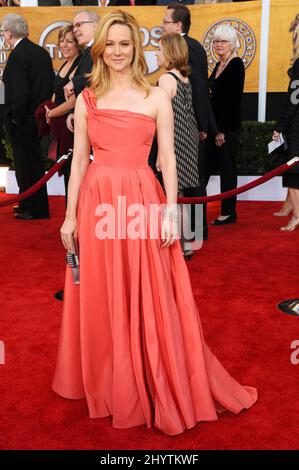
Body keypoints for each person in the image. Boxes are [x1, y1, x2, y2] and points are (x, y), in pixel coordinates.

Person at [52, 10, 257, 436]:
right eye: (110, 44)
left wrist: (170, 211)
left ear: (137, 48)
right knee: (103, 287)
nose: (118, 51)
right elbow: (77, 166)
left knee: (148, 287)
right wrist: (69, 217)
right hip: (97, 199)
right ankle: (109, 378)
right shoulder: (89, 97)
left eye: (125, 44)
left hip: (143, 200)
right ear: (100, 49)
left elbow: (167, 160)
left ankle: (146, 373)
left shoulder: (156, 95)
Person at [160, 3, 217, 240]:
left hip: (184, 127)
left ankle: (192, 233)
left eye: (165, 21)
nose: (161, 25)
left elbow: (199, 88)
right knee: (191, 180)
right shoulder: (192, 46)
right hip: (190, 125)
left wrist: (202, 125)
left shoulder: (186, 46)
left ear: (178, 24)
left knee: (188, 182)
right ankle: (193, 233)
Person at [2, 13, 54, 219]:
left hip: (23, 121)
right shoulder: (40, 53)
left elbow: (20, 93)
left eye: (4, 31)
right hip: (37, 118)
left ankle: (32, 208)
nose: (3, 35)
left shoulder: (18, 55)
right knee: (32, 164)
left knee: (26, 165)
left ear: (9, 33)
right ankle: (29, 205)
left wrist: (15, 118)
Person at [156, 32, 199, 259]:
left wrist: (161, 154)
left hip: (175, 139)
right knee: (180, 194)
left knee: (174, 193)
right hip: (188, 137)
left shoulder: (165, 79)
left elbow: (163, 117)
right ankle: (187, 243)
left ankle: (181, 244)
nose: (156, 54)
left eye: (160, 50)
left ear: (170, 53)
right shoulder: (184, 77)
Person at [205, 23, 245, 225]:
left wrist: (222, 131)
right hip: (214, 129)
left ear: (233, 44)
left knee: (227, 171)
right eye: (216, 41)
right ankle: (195, 208)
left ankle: (229, 212)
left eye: (223, 41)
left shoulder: (236, 64)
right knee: (206, 168)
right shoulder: (218, 66)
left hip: (226, 130)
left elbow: (232, 102)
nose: (218, 44)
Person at [44, 25, 81, 195]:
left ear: (77, 44)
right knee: (66, 173)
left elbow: (72, 102)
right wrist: (49, 111)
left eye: (69, 41)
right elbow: (56, 92)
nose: (64, 45)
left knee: (73, 174)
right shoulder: (66, 63)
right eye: (61, 40)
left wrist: (51, 113)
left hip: (72, 127)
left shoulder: (79, 65)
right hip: (59, 126)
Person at [272, 39, 299, 231]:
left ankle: (297, 215)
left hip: (296, 127)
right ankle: (291, 207)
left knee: (293, 174)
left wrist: (280, 127)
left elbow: (293, 99)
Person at [64, 10, 100, 133]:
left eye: (79, 25)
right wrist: (74, 112)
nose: (74, 30)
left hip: (98, 119)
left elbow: (99, 74)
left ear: (94, 25)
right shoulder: (89, 50)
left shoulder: (102, 47)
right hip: (87, 116)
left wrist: (75, 82)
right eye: (74, 26)